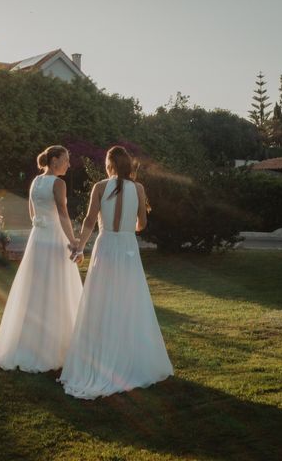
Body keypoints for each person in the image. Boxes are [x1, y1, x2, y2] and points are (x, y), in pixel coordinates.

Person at [59, 146, 173, 399]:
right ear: (128, 165)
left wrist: (79, 245)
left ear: (109, 164)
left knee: (101, 300)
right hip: (127, 246)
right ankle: (128, 357)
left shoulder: (100, 187)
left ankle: (101, 356)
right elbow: (142, 224)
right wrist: (130, 226)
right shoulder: (139, 189)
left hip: (106, 245)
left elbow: (89, 221)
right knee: (129, 301)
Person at [0, 145, 83, 372]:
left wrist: (42, 224)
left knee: (35, 289)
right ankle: (56, 347)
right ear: (54, 161)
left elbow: (33, 214)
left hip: (38, 238)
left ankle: (28, 345)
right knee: (57, 288)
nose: (68, 164)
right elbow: (63, 214)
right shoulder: (58, 183)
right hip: (54, 238)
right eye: (65, 159)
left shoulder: (35, 182)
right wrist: (73, 241)